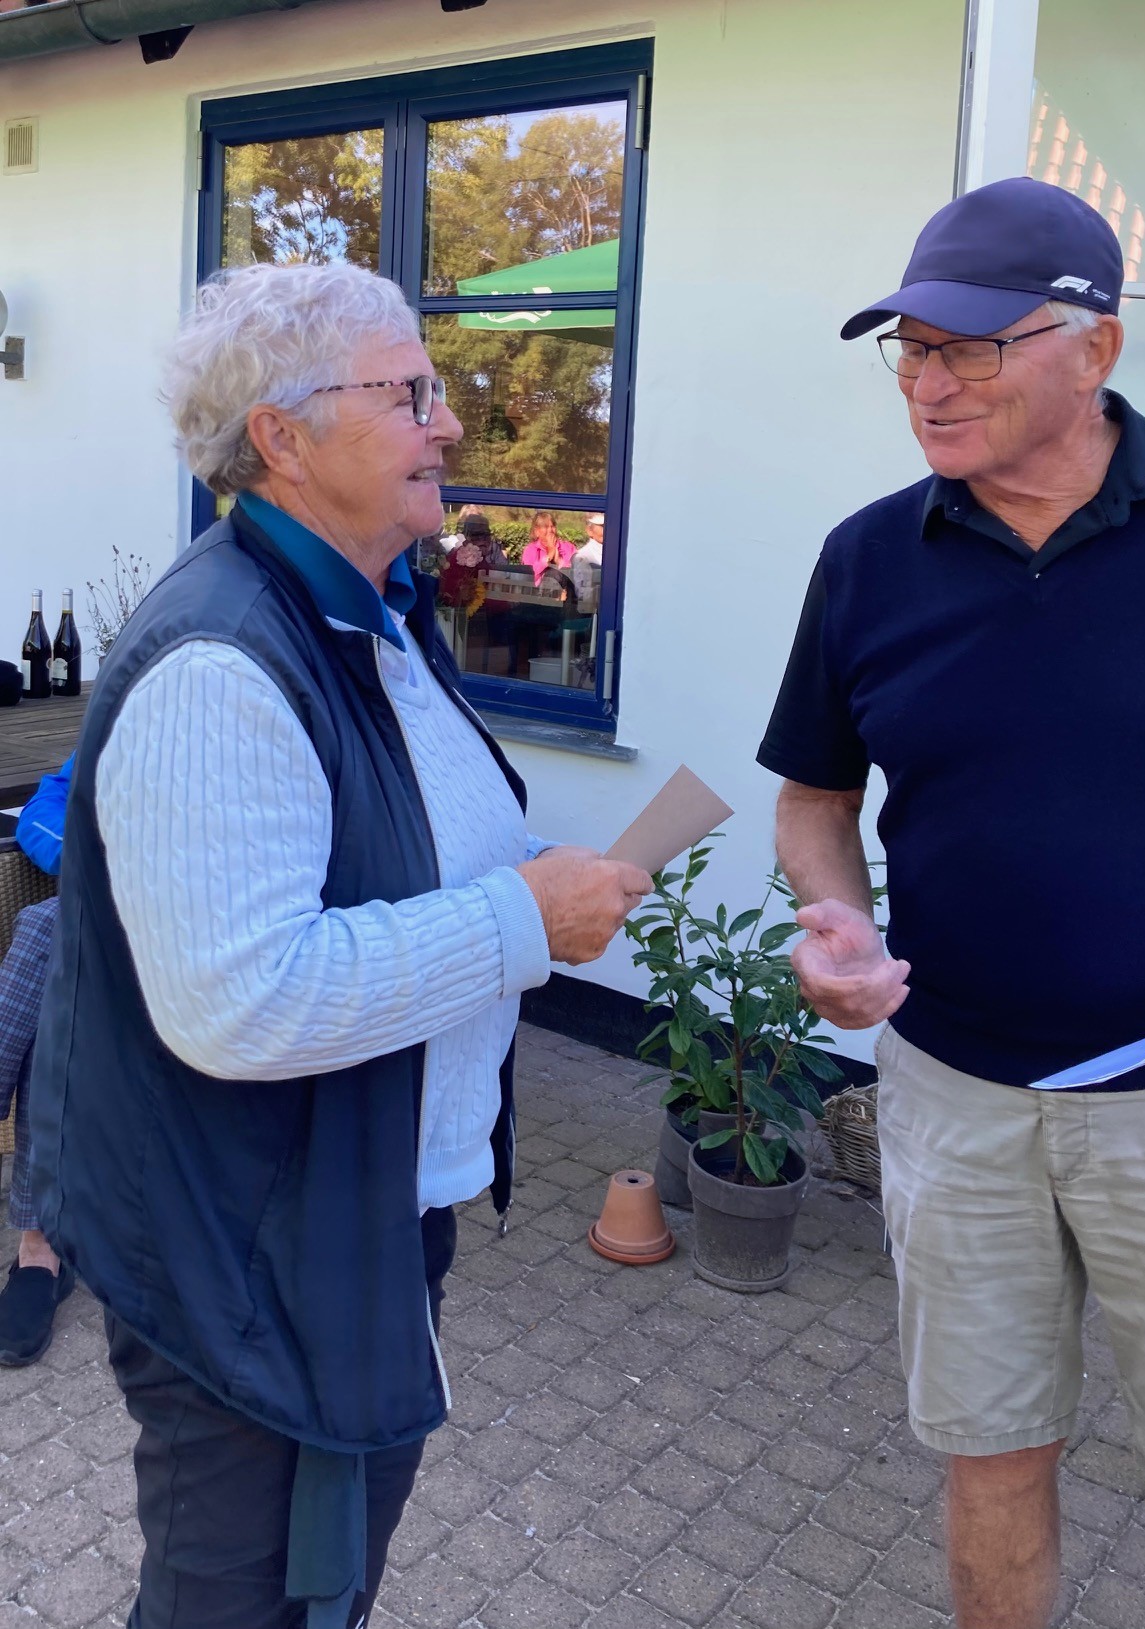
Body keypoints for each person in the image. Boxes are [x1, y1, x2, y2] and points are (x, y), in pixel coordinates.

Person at [29, 261, 650, 1629]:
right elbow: (241, 1001)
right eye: (410, 394)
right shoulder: (219, 663)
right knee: (244, 1599)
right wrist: (524, 919)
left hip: (339, 1212)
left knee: (324, 1587)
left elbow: (392, 842)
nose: (448, 424)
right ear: (283, 436)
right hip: (245, 1250)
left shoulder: (365, 612)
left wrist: (539, 891)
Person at [758, 177, 1145, 1629]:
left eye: (972, 348)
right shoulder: (867, 559)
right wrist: (836, 919)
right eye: (912, 349)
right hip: (951, 1095)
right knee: (989, 1453)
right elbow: (814, 800)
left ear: (1094, 348)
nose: (927, 385)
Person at [0, 757, 76, 1365]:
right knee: (50, 1019)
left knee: (43, 925)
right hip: (112, 918)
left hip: (226, 934)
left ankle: (39, 1251)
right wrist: (90, 863)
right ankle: (38, 1248)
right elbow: (44, 808)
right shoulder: (135, 721)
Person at [521, 510, 575, 586]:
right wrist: (549, 555)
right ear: (536, 531)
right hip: (538, 591)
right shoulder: (530, 550)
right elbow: (529, 574)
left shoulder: (568, 547)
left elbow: (576, 573)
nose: (550, 530)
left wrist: (558, 560)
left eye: (552, 526)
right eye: (546, 527)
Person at [572, 512, 604, 613]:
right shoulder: (582, 556)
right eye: (602, 526)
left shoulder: (617, 552)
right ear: (589, 530)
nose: (607, 529)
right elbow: (582, 593)